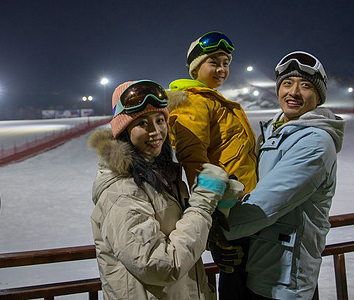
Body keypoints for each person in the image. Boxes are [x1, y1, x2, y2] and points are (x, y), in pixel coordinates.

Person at [88, 80, 244, 299]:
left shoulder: (163, 176)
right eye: (142, 123)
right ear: (124, 132)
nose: (156, 131)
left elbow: (179, 235)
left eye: (160, 120)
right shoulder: (121, 191)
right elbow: (159, 265)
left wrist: (218, 209)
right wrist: (202, 205)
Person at [215, 51, 346, 299]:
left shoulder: (315, 143)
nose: (293, 92)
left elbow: (265, 205)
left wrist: (213, 230)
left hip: (282, 280)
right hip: (258, 266)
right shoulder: (275, 132)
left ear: (318, 96)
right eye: (287, 83)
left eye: (305, 85)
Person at [166, 31, 258, 298]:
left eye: (226, 63)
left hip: (241, 207)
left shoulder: (212, 100)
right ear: (196, 67)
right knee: (239, 287)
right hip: (228, 213)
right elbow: (194, 160)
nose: (221, 69)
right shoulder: (193, 101)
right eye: (214, 62)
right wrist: (214, 220)